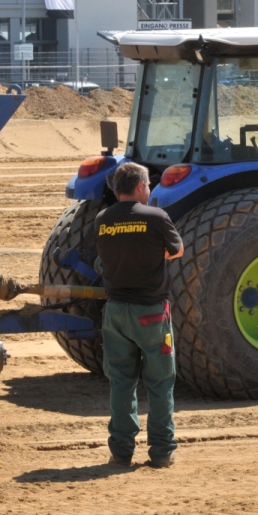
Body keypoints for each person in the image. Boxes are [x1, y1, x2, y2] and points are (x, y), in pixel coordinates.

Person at [94, 162, 184, 468]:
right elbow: (177, 250)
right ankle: (161, 452)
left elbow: (103, 258)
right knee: (159, 383)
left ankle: (121, 451)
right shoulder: (156, 217)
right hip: (151, 313)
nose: (149, 189)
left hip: (116, 312)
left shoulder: (103, 219)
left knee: (121, 383)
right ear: (140, 186)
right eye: (148, 185)